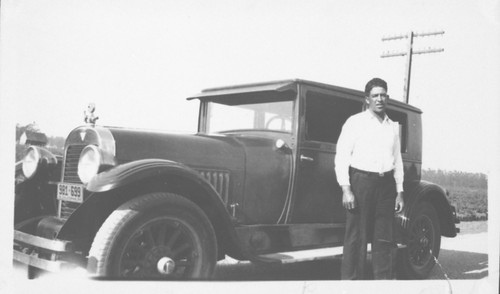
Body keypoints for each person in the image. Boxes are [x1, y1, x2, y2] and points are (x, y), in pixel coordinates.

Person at [334, 77, 404, 280]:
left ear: (387, 98)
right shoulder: (355, 122)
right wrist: (346, 189)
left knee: (384, 238)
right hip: (361, 183)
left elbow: (397, 160)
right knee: (357, 238)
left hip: (386, 186)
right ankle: (351, 285)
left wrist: (400, 192)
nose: (379, 99)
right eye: (375, 96)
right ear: (367, 99)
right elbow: (342, 157)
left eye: (383, 95)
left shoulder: (392, 126)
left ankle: (382, 285)